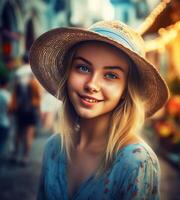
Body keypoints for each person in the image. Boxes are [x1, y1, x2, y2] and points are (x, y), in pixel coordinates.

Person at [29, 20, 169, 199]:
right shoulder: (54, 148)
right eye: (83, 67)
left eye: (111, 75)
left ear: (126, 89)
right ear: (68, 73)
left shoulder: (136, 161)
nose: (92, 85)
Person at [10, 57, 42, 165]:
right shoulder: (33, 72)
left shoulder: (18, 72)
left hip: (19, 108)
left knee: (18, 132)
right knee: (29, 134)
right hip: (31, 108)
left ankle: (15, 155)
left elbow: (13, 90)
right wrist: (39, 109)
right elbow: (38, 92)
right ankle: (25, 157)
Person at [0, 75, 11, 159]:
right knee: (2, 142)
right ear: (6, 84)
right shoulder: (7, 96)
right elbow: (10, 109)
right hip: (4, 122)